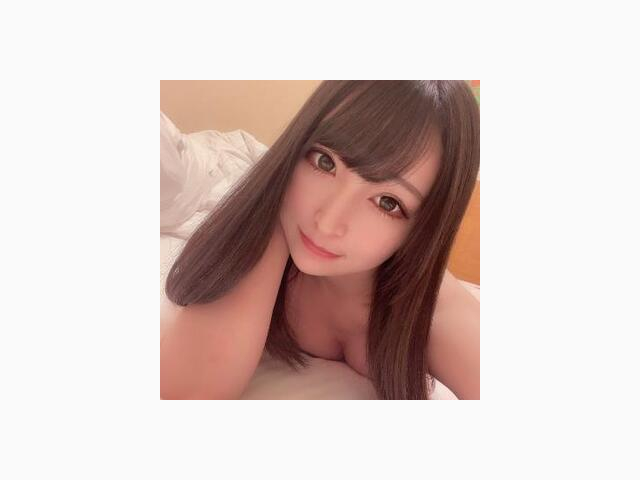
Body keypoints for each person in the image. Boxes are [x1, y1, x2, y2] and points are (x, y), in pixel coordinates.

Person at [164, 80, 480, 400]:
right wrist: (274, 219)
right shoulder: (273, 228)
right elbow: (186, 395)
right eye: (324, 162)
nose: (327, 223)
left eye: (387, 203)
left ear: (425, 226)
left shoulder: (433, 312)